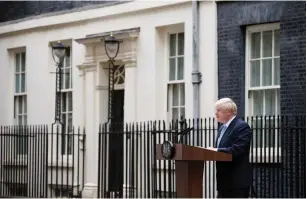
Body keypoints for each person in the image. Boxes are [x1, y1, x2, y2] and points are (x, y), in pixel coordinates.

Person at [207, 98, 253, 198]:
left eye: (219, 110)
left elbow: (238, 150)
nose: (216, 113)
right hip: (223, 182)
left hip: (237, 182)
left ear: (229, 111)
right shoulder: (222, 128)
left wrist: (216, 150)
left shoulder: (242, 127)